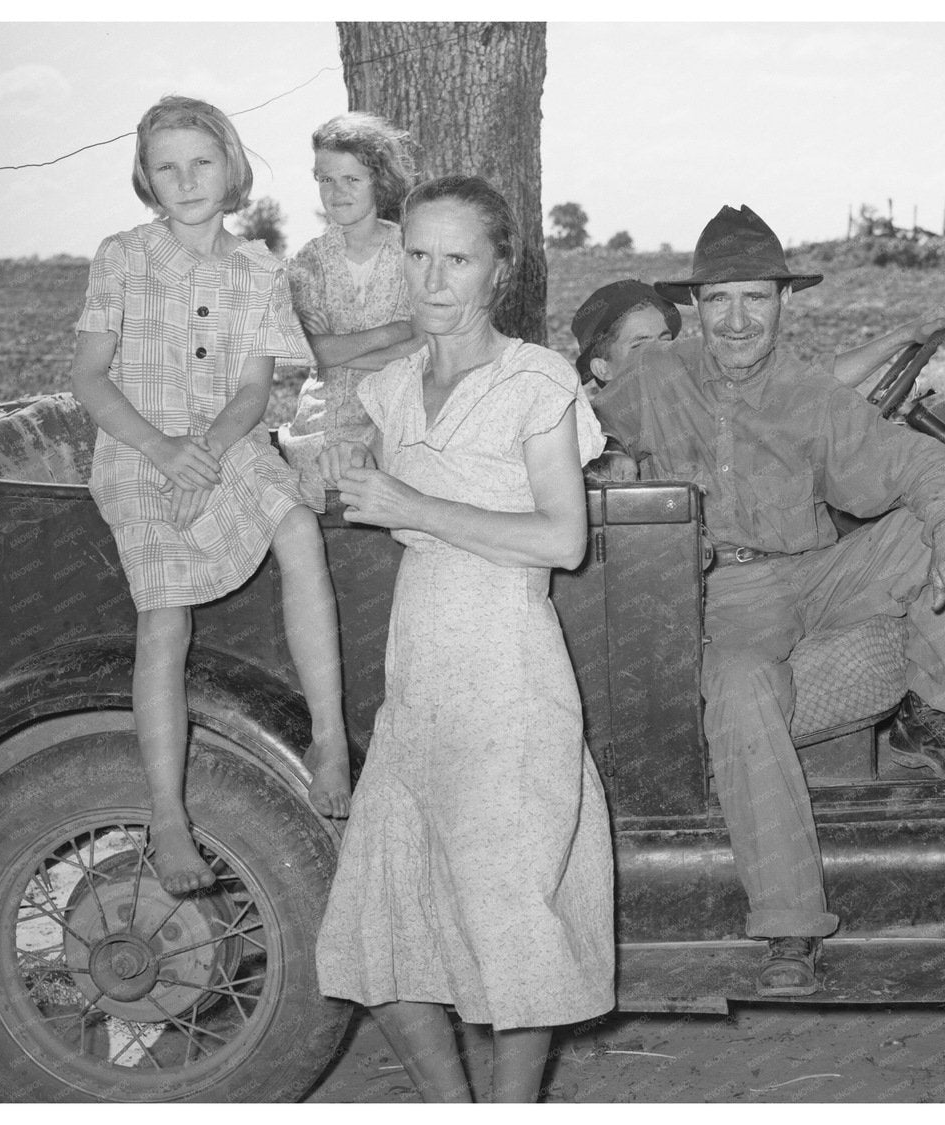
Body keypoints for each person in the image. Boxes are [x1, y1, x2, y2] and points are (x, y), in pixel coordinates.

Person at [590, 203, 945, 997]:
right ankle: (789, 925)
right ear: (697, 311)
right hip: (719, 592)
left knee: (942, 519)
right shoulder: (654, 376)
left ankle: (938, 707)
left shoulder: (812, 393)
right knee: (742, 686)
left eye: (756, 298)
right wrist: (612, 473)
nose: (738, 319)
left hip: (820, 574)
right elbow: (571, 433)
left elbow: (917, 462)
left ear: (784, 304)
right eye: (719, 301)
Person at [314, 174, 615, 1103]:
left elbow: (563, 538)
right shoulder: (392, 387)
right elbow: (346, 480)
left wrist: (411, 503)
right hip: (419, 676)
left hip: (507, 668)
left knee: (513, 922)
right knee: (377, 923)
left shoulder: (537, 381)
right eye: (418, 256)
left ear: (497, 272)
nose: (434, 279)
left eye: (458, 259)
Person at [69, 96, 350, 895]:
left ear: (230, 167)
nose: (186, 179)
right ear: (145, 178)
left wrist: (213, 455)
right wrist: (165, 452)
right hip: (137, 448)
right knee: (165, 610)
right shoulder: (122, 255)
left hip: (229, 441)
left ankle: (328, 737)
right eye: (167, 166)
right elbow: (90, 377)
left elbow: (254, 388)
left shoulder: (260, 268)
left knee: (298, 526)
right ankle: (167, 815)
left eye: (201, 162)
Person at [280, 112, 420, 507]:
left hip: (398, 411)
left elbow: (423, 347)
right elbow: (314, 353)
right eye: (326, 179)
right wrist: (392, 332)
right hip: (325, 418)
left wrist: (340, 349)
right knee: (323, 481)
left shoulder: (411, 251)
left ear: (380, 180)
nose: (336, 191)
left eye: (352, 179)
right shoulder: (308, 261)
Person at [571, 277, 945, 393]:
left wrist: (906, 335)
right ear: (602, 369)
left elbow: (812, 381)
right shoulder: (598, 437)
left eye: (664, 341)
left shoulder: (696, 388)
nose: (660, 355)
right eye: (640, 346)